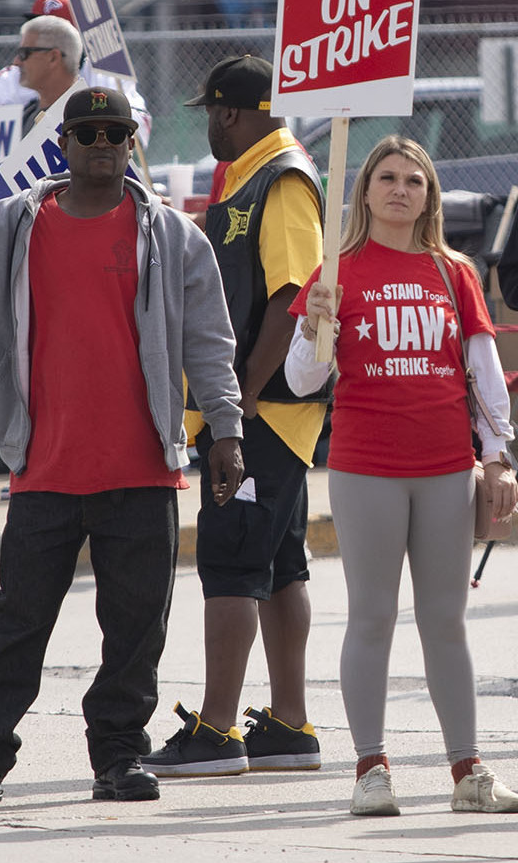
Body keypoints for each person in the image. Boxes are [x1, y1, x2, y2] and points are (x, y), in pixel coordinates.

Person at [0, 86, 244, 805]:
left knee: (133, 633)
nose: (101, 143)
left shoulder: (172, 235)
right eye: (87, 132)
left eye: (114, 132)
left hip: (143, 469)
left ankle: (119, 758)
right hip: (44, 468)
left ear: (132, 143)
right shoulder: (12, 224)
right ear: (63, 142)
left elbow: (210, 343)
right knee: (16, 624)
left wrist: (226, 428)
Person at [287, 136, 518, 817]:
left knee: (446, 621)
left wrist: (498, 455)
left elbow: (483, 377)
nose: (399, 189)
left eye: (413, 180)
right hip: (366, 470)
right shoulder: (336, 271)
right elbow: (303, 382)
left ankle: (468, 773)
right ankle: (370, 769)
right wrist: (313, 327)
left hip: (446, 470)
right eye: (386, 178)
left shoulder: (455, 272)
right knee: (373, 617)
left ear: (430, 195)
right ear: (364, 191)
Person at [143, 56, 327, 778]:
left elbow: (293, 295)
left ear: (231, 112)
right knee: (279, 567)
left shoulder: (281, 175)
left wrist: (238, 407)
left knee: (230, 563)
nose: (210, 125)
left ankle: (218, 731)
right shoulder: (253, 172)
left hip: (264, 412)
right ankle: (288, 723)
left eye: (212, 113)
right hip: (267, 413)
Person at [0, 0, 152, 140]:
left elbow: (138, 128)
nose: (47, 34)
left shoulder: (107, 72)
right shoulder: (10, 77)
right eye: (40, 26)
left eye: (56, 30)